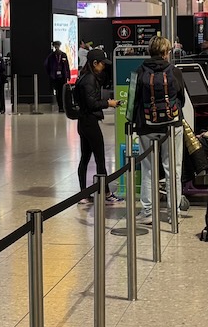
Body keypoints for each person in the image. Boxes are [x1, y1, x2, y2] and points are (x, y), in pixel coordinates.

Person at [128, 36, 185, 224]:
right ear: (166, 52)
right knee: (173, 170)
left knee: (148, 170)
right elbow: (181, 99)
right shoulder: (174, 71)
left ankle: (147, 212)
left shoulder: (138, 72)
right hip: (172, 126)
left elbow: (132, 102)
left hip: (146, 126)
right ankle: (173, 213)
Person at [73, 48, 119, 204]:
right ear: (94, 63)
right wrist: (109, 103)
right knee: (99, 158)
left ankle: (83, 194)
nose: (103, 67)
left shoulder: (84, 77)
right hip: (90, 123)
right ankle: (105, 193)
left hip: (83, 122)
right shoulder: (89, 80)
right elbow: (92, 103)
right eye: (102, 64)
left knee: (85, 157)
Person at [45, 41, 71, 112]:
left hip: (63, 76)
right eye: (55, 46)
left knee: (63, 91)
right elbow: (47, 66)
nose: (57, 47)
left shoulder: (63, 55)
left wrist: (68, 75)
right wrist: (50, 74)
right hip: (55, 77)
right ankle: (60, 106)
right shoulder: (51, 56)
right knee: (58, 92)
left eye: (58, 45)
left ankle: (64, 106)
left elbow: (67, 66)